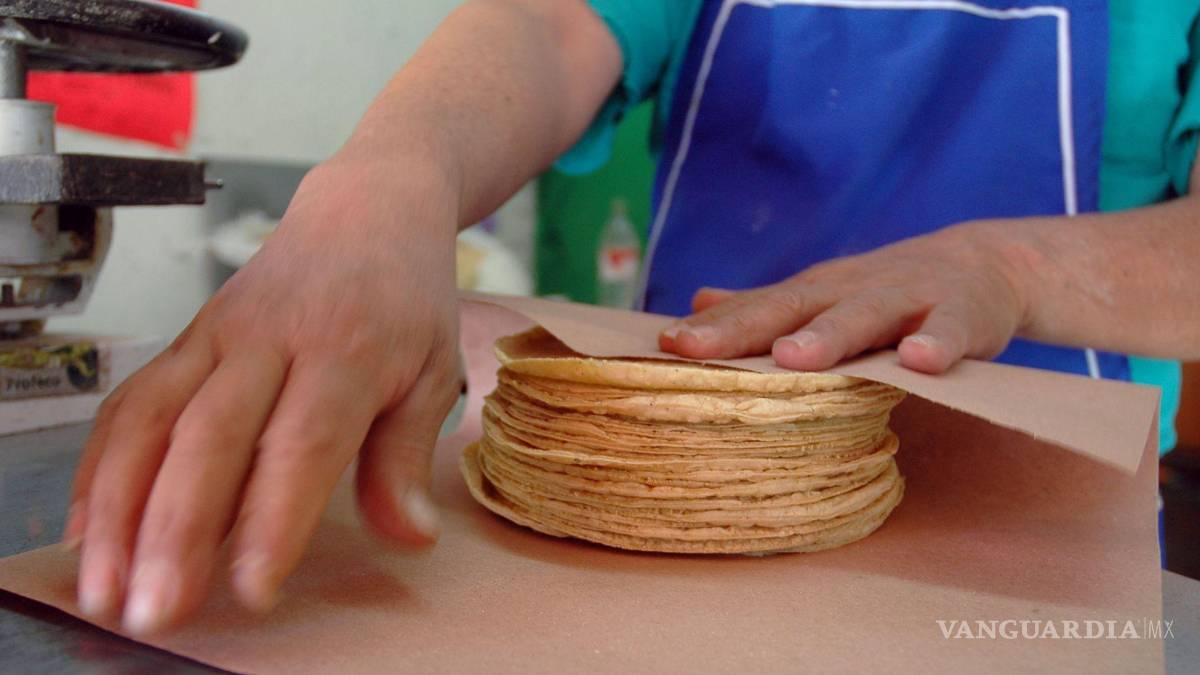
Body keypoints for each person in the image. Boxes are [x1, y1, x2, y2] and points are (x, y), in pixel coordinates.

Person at [63, 0, 1200, 635]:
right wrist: (389, 179)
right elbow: (551, 27)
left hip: (1028, 567)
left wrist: (1006, 263)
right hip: (652, 533)